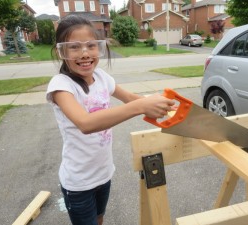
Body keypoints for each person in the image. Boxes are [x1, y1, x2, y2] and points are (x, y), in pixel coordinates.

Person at [46, 15, 174, 225]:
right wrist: (140, 107)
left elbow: (131, 98)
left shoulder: (102, 78)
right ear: (61, 51)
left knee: (99, 218)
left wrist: (158, 103)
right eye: (75, 47)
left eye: (91, 46)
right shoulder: (61, 86)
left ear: (100, 47)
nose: (85, 53)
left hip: (104, 173)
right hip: (78, 182)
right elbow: (85, 124)